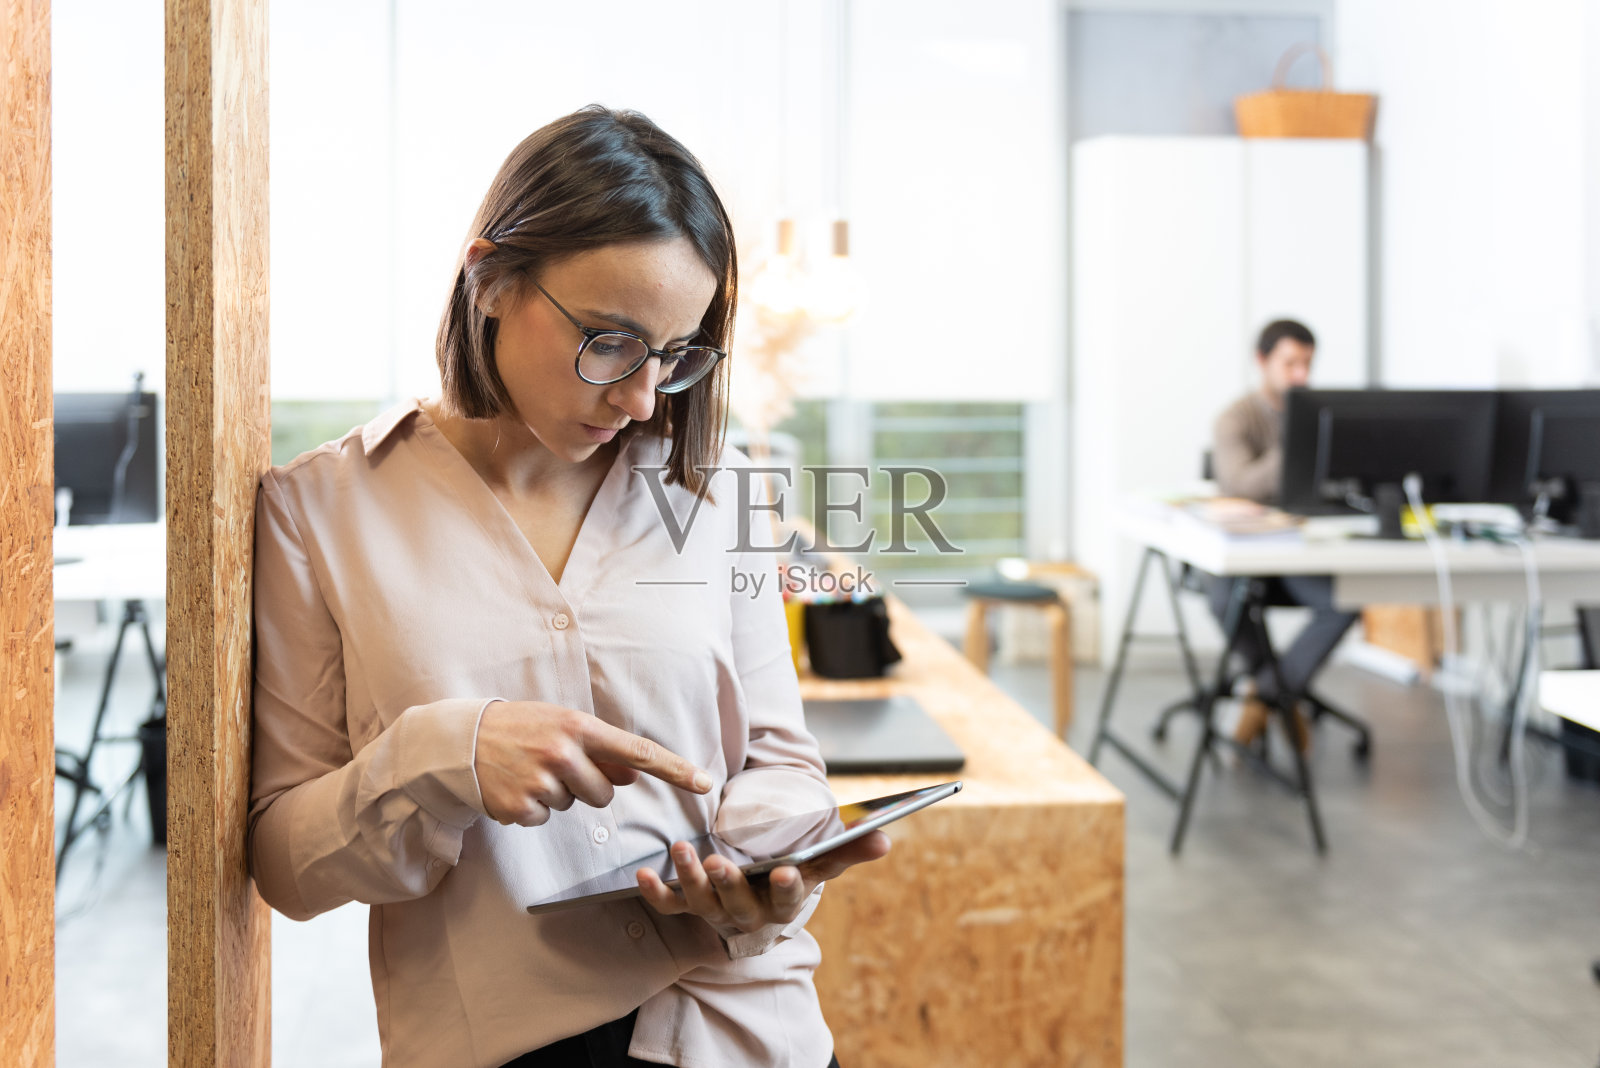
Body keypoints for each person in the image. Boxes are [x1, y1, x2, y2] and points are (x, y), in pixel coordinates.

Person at [247, 106, 887, 1068]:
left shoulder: (723, 494)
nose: (639, 399)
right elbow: (284, 864)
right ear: (492, 278)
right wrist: (444, 754)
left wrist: (765, 869)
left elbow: (778, 763)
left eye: (674, 357)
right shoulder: (321, 511)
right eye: (611, 341)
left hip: (749, 1033)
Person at [1210, 319, 1359, 746]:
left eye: (1307, 364)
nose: (1301, 376)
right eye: (1290, 363)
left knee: (1343, 602)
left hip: (1298, 552)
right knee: (1225, 600)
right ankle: (1282, 693)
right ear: (1262, 361)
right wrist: (1296, 438)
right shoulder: (1234, 420)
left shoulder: (1323, 415)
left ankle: (1268, 694)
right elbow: (1240, 484)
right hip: (1241, 554)